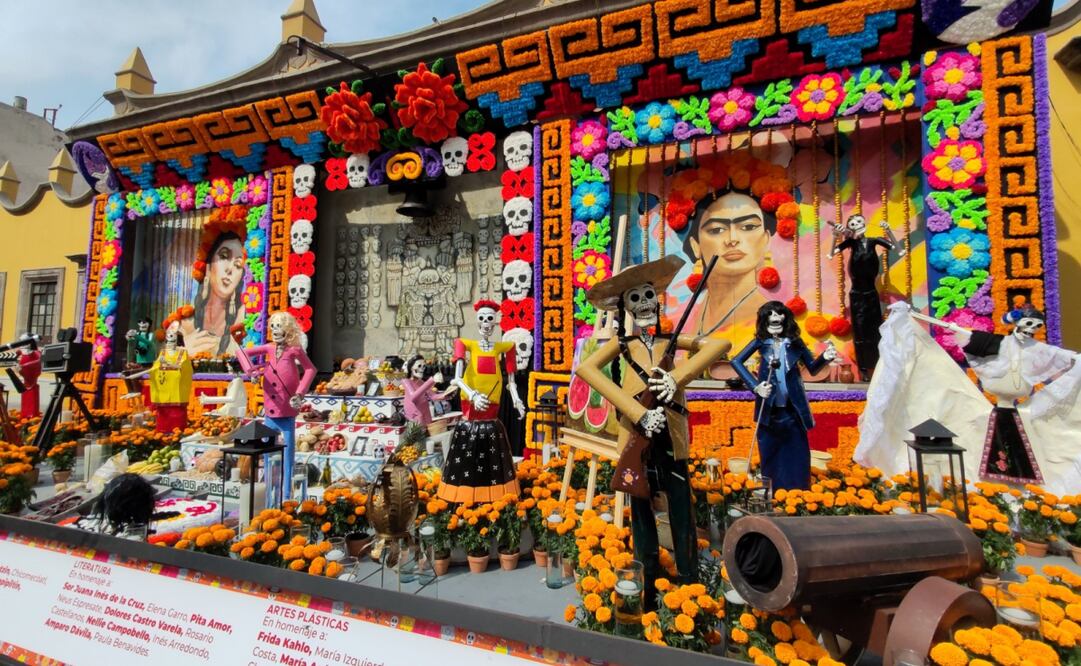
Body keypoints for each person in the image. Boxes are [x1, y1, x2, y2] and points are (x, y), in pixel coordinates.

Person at [574, 255, 730, 606]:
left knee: (681, 508)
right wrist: (636, 412)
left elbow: (720, 346)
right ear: (624, 308)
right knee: (641, 513)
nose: (644, 304)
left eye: (648, 295)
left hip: (670, 435)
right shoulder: (622, 345)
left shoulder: (673, 341)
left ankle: (690, 583)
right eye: (635, 298)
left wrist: (676, 377)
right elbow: (586, 369)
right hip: (638, 435)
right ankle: (647, 585)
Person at [730, 302, 837, 492]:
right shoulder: (761, 343)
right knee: (770, 450)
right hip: (769, 411)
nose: (776, 317)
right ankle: (772, 490)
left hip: (793, 410)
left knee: (797, 451)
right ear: (764, 320)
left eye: (779, 314)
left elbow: (812, 369)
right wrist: (755, 387)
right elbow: (736, 361)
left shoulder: (795, 343)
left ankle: (799, 490)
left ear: (785, 318)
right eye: (771, 314)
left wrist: (825, 357)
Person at [437, 300, 525, 504]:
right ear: (477, 321)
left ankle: (495, 494)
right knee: (468, 450)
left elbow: (510, 381)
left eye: (490, 319)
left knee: (494, 452)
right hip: (471, 409)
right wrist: (473, 395)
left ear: (495, 322)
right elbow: (457, 378)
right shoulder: (467, 344)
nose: (486, 323)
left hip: (492, 410)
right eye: (482, 319)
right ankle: (462, 494)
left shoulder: (504, 347)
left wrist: (517, 399)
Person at [235, 311, 317, 500]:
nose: (275, 330)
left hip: (287, 409)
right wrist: (251, 371)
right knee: (266, 453)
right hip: (270, 410)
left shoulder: (294, 350)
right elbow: (241, 352)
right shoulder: (269, 348)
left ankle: (286, 495)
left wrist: (300, 392)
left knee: (287, 455)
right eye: (273, 326)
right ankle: (270, 495)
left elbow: (311, 369)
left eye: (279, 326)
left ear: (287, 329)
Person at [684, 192, 774, 339]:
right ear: (696, 246)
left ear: (766, 239)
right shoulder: (687, 315)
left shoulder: (772, 318)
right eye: (716, 230)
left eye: (748, 227)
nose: (732, 239)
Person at [827, 214, 905, 381]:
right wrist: (835, 236)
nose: (856, 225)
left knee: (876, 329)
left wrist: (889, 230)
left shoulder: (873, 241)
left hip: (871, 293)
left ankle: (879, 365)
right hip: (856, 294)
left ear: (864, 224)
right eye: (853, 223)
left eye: (859, 222)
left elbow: (897, 249)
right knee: (860, 330)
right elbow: (832, 252)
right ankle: (863, 368)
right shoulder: (851, 243)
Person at [184, 221, 246, 356]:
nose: (230, 269)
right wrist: (183, 353)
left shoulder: (245, 324)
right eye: (224, 257)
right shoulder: (184, 325)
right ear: (208, 267)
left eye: (238, 264)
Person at [128, 318, 193, 433]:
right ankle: (162, 432)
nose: (169, 343)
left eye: (172, 340)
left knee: (176, 417)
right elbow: (155, 367)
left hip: (176, 392)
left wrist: (167, 364)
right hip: (163, 390)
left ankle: (177, 434)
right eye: (167, 341)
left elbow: (181, 367)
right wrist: (138, 373)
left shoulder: (182, 352)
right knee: (163, 417)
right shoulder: (163, 352)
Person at [402, 355, 442, 427]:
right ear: (411, 367)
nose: (422, 369)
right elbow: (413, 397)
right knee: (418, 436)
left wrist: (447, 395)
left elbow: (432, 396)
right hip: (415, 416)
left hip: (426, 415)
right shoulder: (406, 381)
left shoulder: (421, 382)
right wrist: (431, 381)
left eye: (424, 366)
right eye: (419, 366)